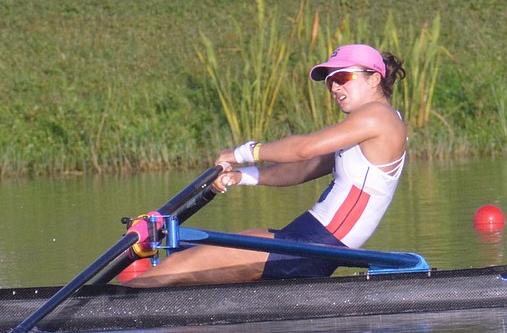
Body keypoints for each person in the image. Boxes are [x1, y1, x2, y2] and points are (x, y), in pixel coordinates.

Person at [126, 44, 407, 287]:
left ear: (374, 79)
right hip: (301, 239)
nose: (335, 87)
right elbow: (304, 168)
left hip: (311, 249)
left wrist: (244, 152)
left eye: (344, 76)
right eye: (330, 80)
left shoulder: (377, 116)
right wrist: (242, 177)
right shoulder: (367, 128)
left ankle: (121, 324)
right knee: (189, 252)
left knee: (168, 271)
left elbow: (302, 149)